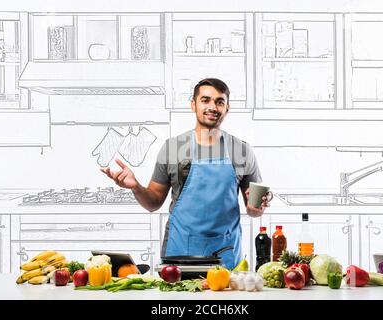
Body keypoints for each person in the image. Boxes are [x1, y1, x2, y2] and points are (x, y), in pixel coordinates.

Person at [101, 78, 271, 269]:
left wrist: (256, 209)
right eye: (205, 100)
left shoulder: (242, 151)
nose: (212, 107)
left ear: (227, 108)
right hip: (180, 254)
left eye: (219, 101)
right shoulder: (172, 148)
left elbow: (254, 208)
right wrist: (136, 187)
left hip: (226, 255)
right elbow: (153, 202)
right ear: (193, 104)